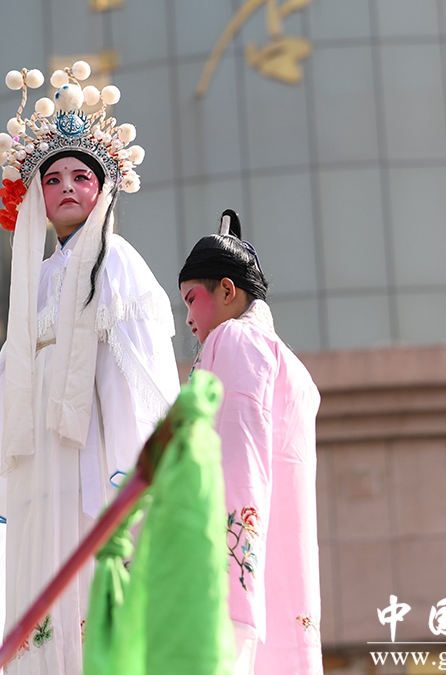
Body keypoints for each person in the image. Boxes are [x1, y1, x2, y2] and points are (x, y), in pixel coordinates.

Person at [0, 62, 180, 675]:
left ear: (104, 189)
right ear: (37, 196)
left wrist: (125, 468)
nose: (68, 187)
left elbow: (138, 373)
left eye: (82, 176)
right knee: (35, 591)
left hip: (89, 458)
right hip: (35, 464)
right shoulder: (36, 277)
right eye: (53, 179)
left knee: (85, 590)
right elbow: (7, 382)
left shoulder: (116, 261)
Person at [177, 210, 323, 675]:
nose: (188, 318)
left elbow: (240, 462)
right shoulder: (293, 368)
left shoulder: (234, 340)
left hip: (233, 570)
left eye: (191, 299)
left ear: (227, 290)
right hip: (284, 571)